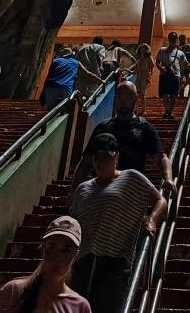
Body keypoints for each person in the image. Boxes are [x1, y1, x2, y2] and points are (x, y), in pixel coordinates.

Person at [70, 132, 167, 313]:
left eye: (106, 158)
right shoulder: (83, 189)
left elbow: (161, 201)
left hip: (115, 261)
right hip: (83, 263)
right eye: (97, 158)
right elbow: (74, 224)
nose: (101, 163)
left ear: (117, 157)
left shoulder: (131, 178)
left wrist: (152, 220)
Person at [70, 82, 175, 197]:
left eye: (128, 98)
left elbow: (161, 158)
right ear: (115, 100)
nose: (123, 102)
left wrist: (168, 179)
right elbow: (85, 162)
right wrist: (73, 191)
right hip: (101, 193)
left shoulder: (144, 127)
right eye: (120, 98)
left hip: (131, 192)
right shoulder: (103, 127)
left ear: (135, 100)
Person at [0, 216, 91, 312]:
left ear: (76, 256)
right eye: (52, 247)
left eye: (66, 250)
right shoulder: (13, 291)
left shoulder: (80, 306)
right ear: (43, 248)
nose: (58, 257)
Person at [156, 31, 185, 120]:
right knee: (164, 95)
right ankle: (168, 111)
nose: (173, 40)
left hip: (176, 75)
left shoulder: (180, 53)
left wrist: (182, 78)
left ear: (176, 40)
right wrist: (162, 69)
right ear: (168, 39)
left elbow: (183, 66)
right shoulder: (162, 50)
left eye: (174, 39)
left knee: (173, 95)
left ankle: (169, 112)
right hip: (164, 75)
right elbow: (157, 62)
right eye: (171, 38)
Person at [133, 43, 155, 115]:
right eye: (141, 48)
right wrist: (125, 71)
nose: (142, 49)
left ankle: (143, 110)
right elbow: (134, 71)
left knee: (142, 94)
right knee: (135, 94)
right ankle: (135, 109)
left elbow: (152, 66)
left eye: (144, 48)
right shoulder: (138, 59)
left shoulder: (148, 57)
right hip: (138, 77)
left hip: (145, 77)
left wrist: (150, 75)